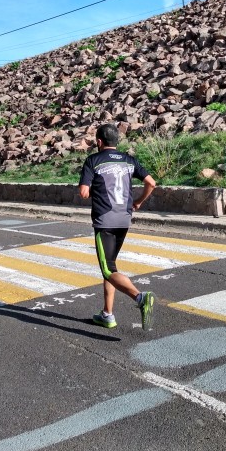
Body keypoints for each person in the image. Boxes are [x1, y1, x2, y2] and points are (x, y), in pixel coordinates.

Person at [78, 123, 157, 330]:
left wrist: (92, 188)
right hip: (124, 220)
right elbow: (152, 183)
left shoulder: (93, 160)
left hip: (105, 220)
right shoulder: (129, 160)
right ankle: (107, 314)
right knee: (110, 267)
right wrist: (138, 202)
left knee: (106, 268)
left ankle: (140, 298)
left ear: (99, 142)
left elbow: (84, 192)